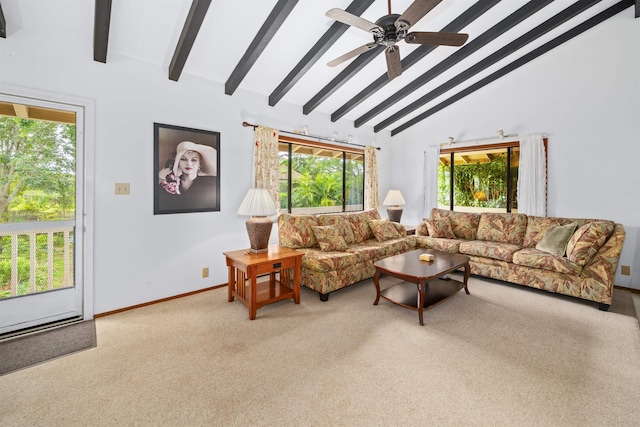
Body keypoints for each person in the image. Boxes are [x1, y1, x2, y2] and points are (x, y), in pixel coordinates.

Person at [157, 141, 218, 212]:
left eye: (194, 160)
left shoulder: (212, 185)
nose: (189, 163)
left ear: (200, 164)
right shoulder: (167, 183)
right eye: (183, 159)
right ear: (178, 162)